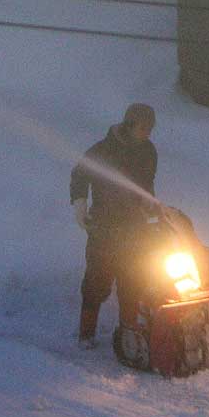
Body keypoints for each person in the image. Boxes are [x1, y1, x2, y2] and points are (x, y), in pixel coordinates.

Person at [69, 102, 158, 345]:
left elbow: (146, 182)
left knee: (133, 282)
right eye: (143, 128)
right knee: (97, 282)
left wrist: (149, 202)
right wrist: (80, 204)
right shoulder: (103, 150)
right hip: (104, 227)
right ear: (130, 125)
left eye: (150, 128)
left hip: (135, 228)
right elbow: (79, 175)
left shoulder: (149, 151)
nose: (147, 133)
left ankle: (128, 335)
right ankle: (86, 334)